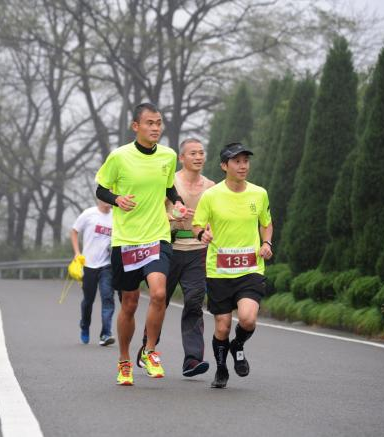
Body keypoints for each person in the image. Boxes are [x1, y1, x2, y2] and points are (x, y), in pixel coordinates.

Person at [95, 102, 187, 386]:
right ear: (136, 126)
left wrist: (179, 204)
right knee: (130, 304)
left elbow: (169, 187)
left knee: (159, 293)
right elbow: (101, 188)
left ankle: (149, 351)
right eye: (149, 123)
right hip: (126, 241)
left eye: (159, 123)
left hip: (157, 235)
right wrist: (116, 200)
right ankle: (124, 360)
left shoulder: (169, 156)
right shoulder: (119, 157)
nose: (156, 128)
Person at [192, 142, 273, 389]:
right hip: (219, 270)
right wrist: (201, 236)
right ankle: (221, 368)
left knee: (247, 320)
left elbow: (266, 222)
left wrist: (267, 242)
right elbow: (197, 224)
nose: (243, 166)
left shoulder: (259, 193)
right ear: (224, 166)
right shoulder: (211, 195)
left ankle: (238, 346)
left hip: (250, 268)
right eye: (236, 161)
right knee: (223, 326)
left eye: (245, 161)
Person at [137, 138, 214, 377]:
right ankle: (147, 348)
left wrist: (211, 232)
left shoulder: (211, 186)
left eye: (201, 153)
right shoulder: (171, 183)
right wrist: (171, 217)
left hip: (197, 250)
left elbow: (214, 216)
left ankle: (192, 360)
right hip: (169, 247)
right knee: (160, 300)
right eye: (193, 153)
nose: (198, 157)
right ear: (182, 158)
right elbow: (152, 210)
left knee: (193, 302)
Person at [70, 199, 115, 346]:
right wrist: (77, 252)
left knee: (108, 298)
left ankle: (106, 334)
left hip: (107, 266)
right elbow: (74, 231)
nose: (109, 201)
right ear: (99, 198)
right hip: (88, 265)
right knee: (88, 300)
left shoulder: (116, 216)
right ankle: (84, 325)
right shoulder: (89, 214)